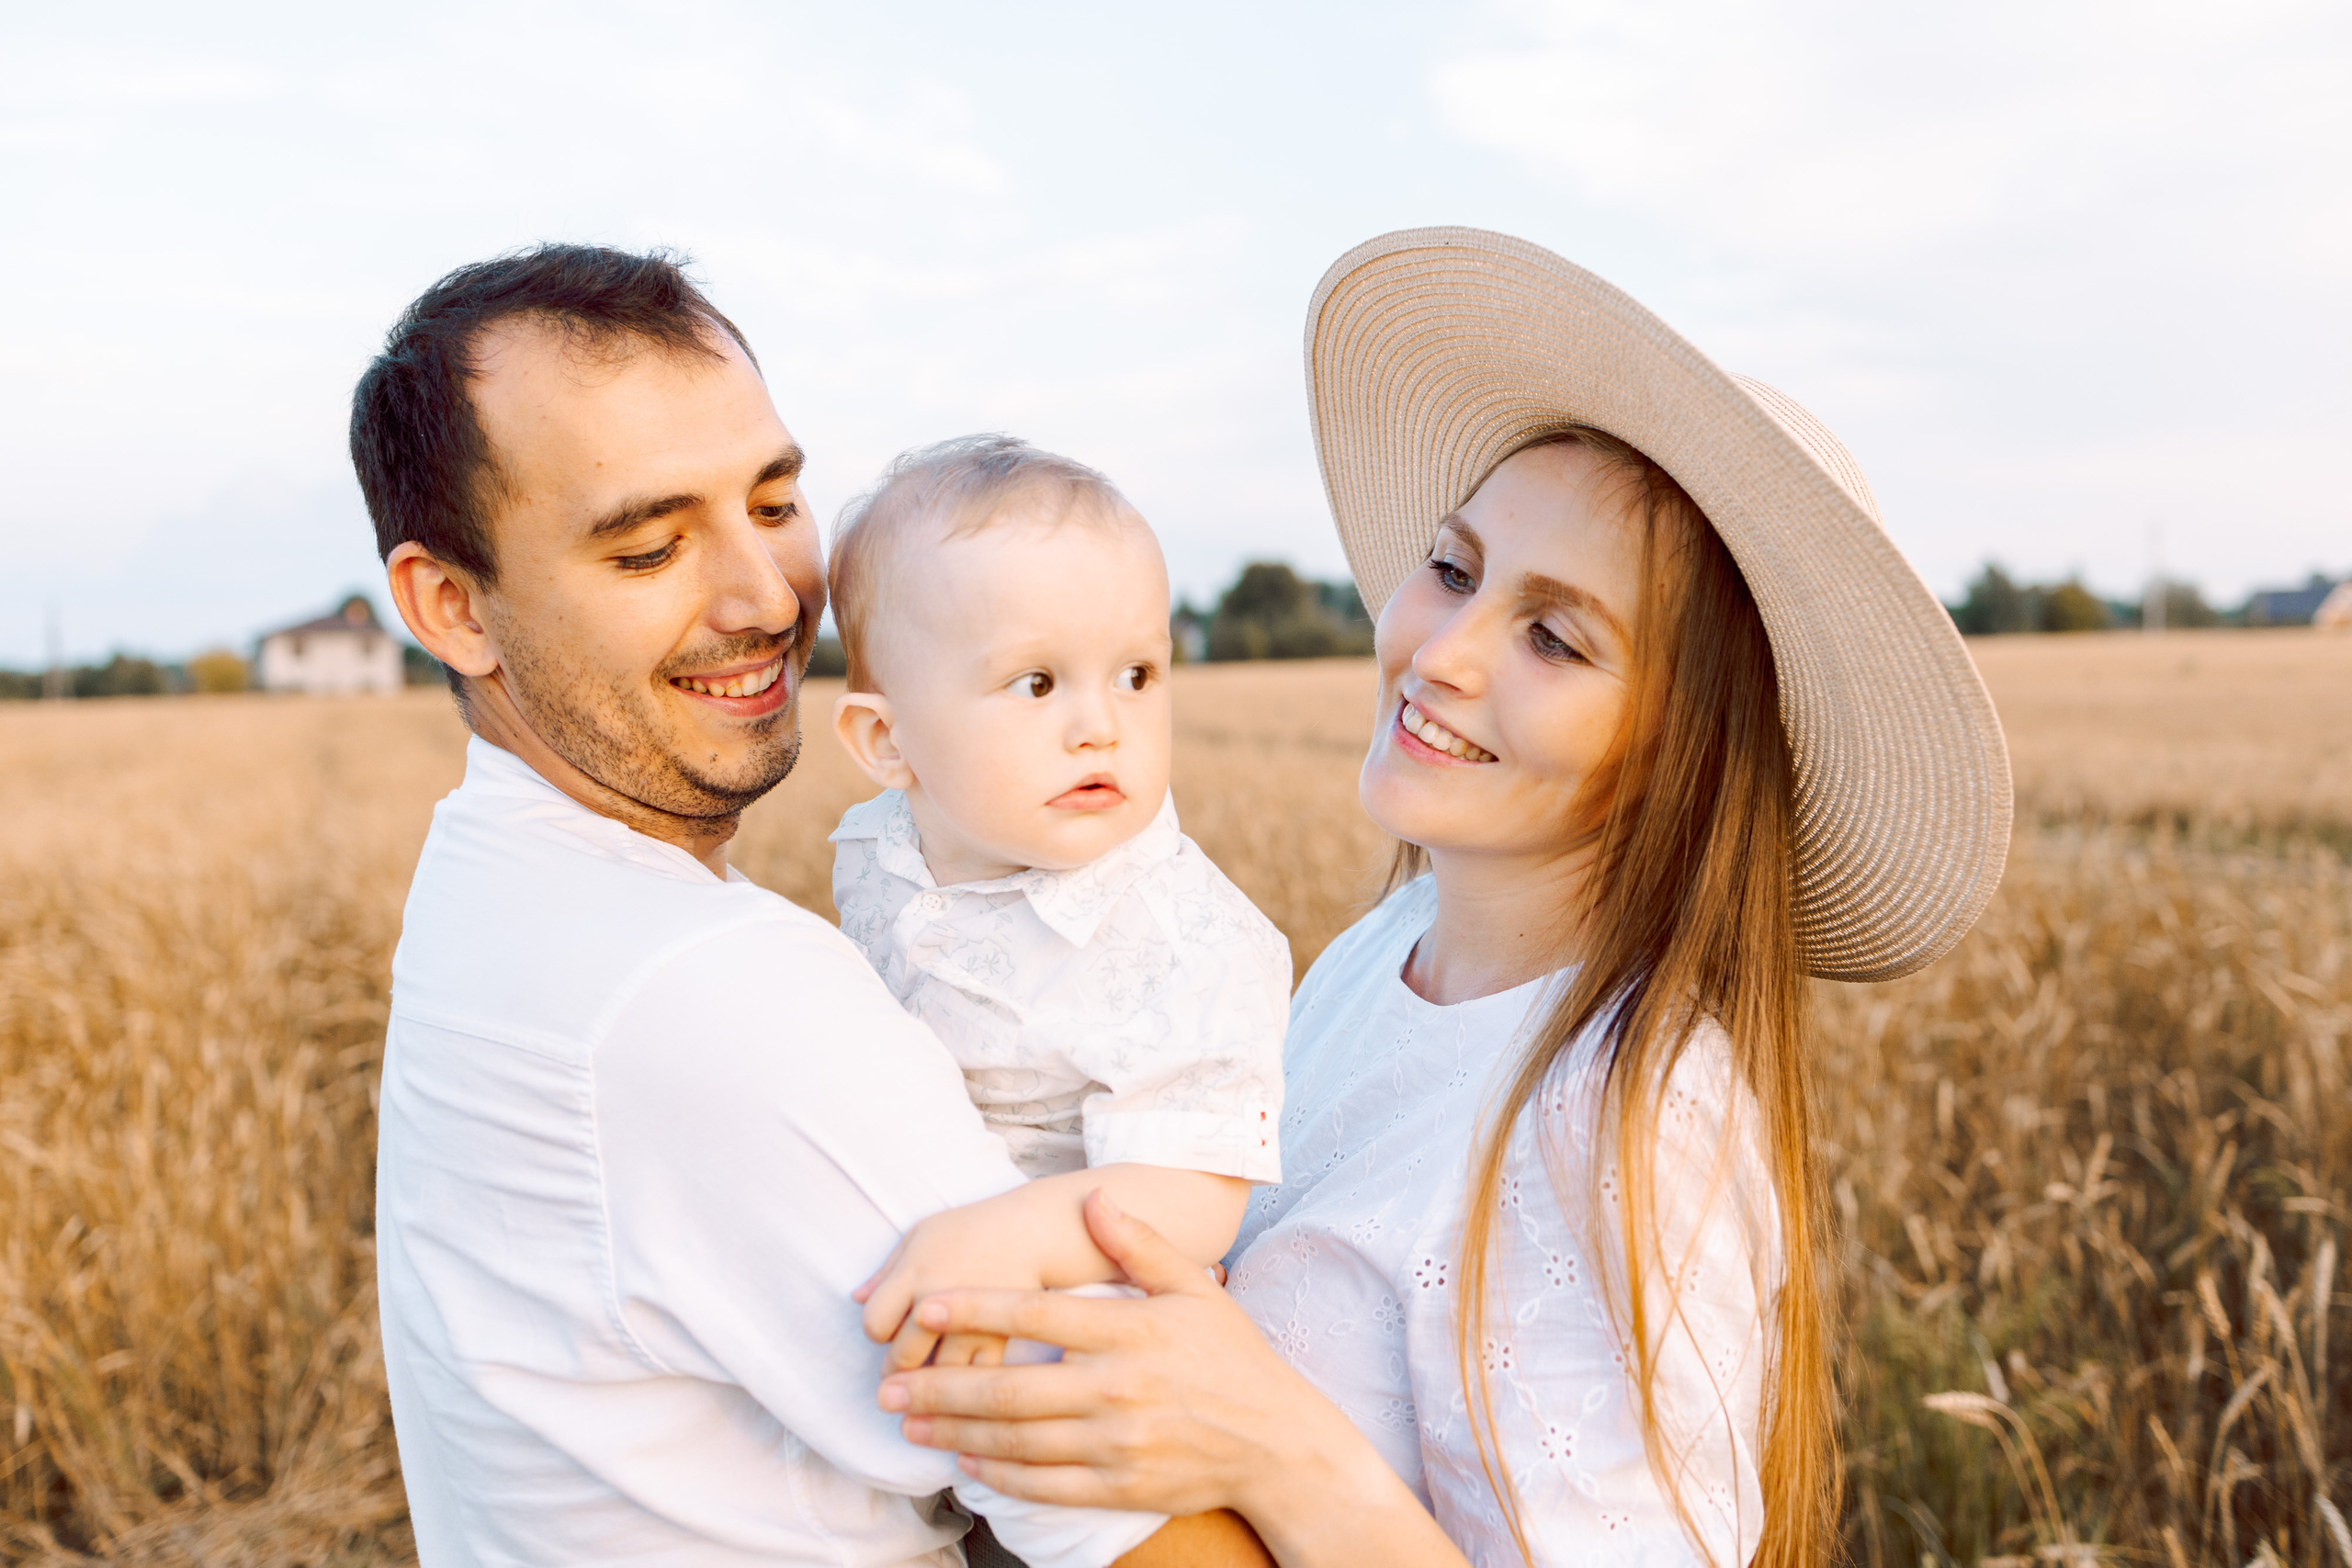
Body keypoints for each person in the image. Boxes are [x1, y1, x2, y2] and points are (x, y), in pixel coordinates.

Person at [871, 227, 2014, 1567]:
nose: (1442, 651)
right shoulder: (1379, 953)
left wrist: (1271, 1441)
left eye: (1553, 635)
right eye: (1457, 567)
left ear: (1685, 747)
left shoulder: (1636, 1120)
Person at [356, 243, 1264, 1566]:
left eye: (775, 501)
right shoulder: (705, 989)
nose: (769, 595)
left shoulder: (485, 885)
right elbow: (1163, 1536)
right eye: (652, 544)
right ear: (453, 605)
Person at [821, 434, 1289, 1371]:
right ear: (886, 741)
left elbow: (1198, 1192)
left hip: (1076, 1297)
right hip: (890, 1245)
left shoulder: (1187, 938)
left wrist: (1012, 1236)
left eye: (1136, 675)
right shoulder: (877, 850)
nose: (1100, 726)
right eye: (1036, 682)